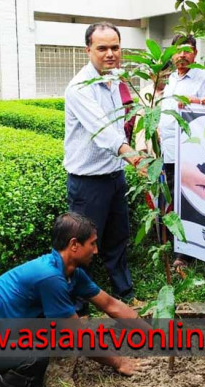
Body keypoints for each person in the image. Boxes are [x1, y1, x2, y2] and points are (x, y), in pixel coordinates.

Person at [0, 212, 150, 387]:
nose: (96, 250)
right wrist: (119, 362)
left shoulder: (70, 272)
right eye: (92, 244)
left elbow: (110, 304)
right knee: (34, 357)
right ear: (74, 245)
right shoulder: (49, 277)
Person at [64, 22, 145, 314]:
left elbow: (121, 124)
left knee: (117, 237)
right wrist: (133, 156)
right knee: (80, 246)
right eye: (102, 48)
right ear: (88, 50)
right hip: (88, 182)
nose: (110, 54)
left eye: (115, 47)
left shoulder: (115, 80)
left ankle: (125, 292)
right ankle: (75, 308)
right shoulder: (79, 88)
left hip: (114, 175)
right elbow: (103, 129)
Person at [158, 34, 205, 267]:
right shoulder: (171, 77)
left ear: (195, 53)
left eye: (187, 51)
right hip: (168, 150)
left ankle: (186, 253)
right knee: (169, 198)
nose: (182, 55)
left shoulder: (204, 77)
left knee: (189, 201)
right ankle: (170, 244)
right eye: (178, 51)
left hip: (189, 153)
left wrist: (195, 101)